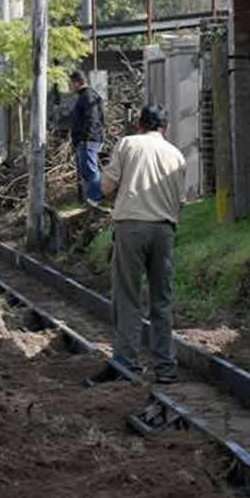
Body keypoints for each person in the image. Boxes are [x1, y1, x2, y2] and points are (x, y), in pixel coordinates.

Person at [85, 104, 186, 386]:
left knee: (127, 296)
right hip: (164, 230)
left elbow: (106, 186)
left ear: (139, 125)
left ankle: (127, 363)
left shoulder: (128, 144)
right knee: (161, 300)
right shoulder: (177, 155)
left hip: (131, 228)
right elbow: (180, 200)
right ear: (164, 128)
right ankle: (165, 366)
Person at [68, 70, 105, 205]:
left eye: (70, 83)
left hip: (88, 141)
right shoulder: (86, 96)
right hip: (87, 140)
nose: (69, 86)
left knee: (90, 171)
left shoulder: (88, 96)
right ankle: (89, 200)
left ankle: (95, 200)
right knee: (86, 171)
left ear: (77, 82)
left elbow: (93, 120)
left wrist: (85, 139)